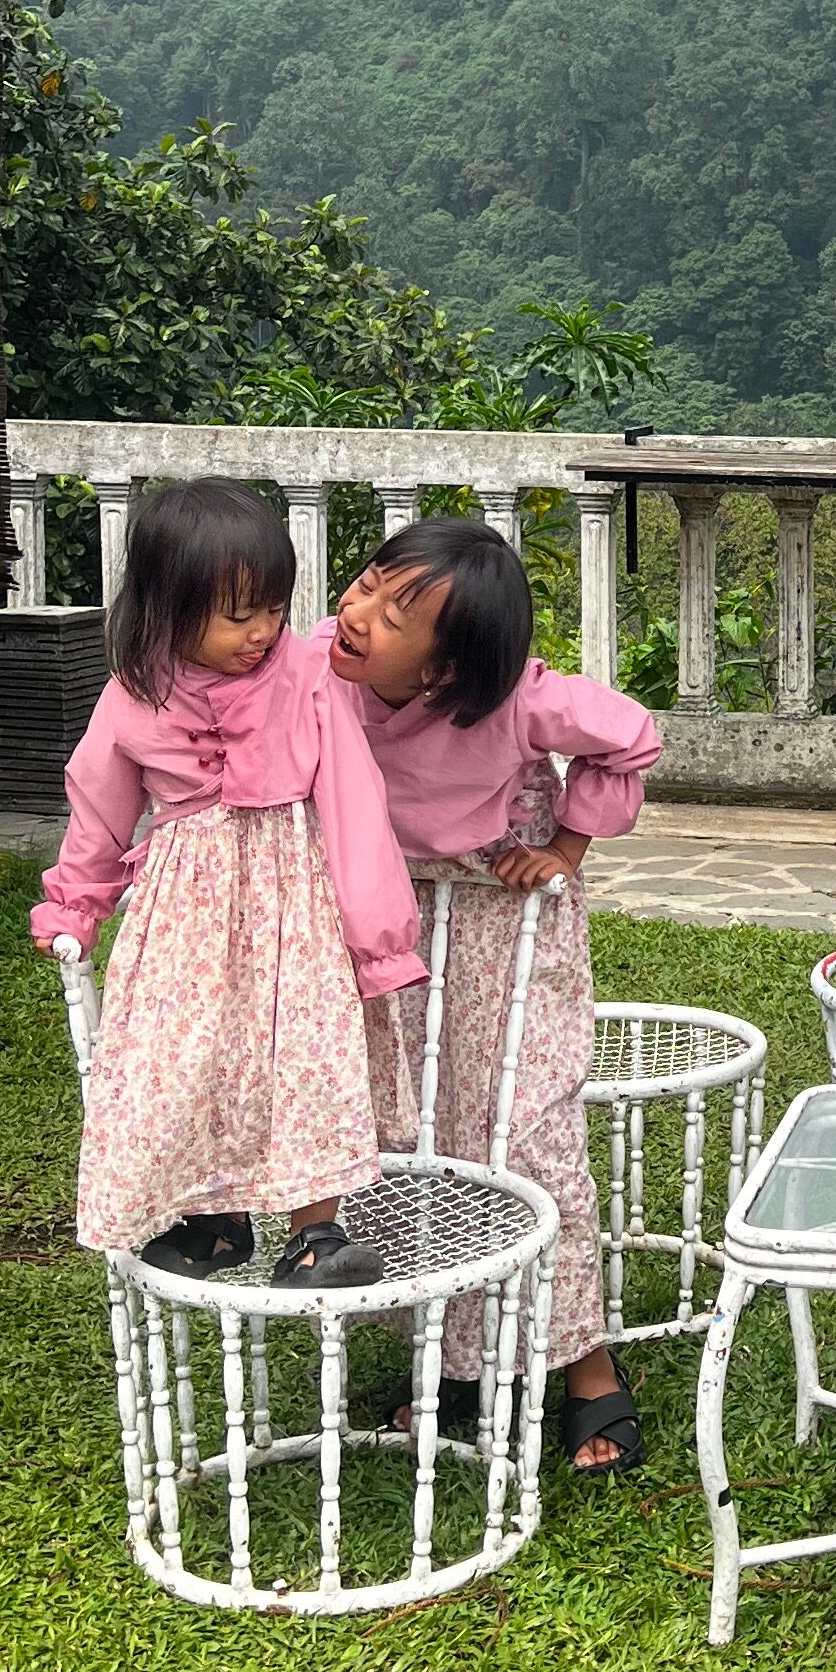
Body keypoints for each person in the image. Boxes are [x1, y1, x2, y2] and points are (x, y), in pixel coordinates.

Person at [320, 516, 665, 1472]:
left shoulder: (518, 699)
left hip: (505, 927)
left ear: (445, 670)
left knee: (523, 1129)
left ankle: (587, 1365)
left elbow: (632, 736)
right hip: (386, 925)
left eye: (398, 614)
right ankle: (456, 1358)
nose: (359, 613)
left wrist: (564, 847)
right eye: (368, 583)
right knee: (411, 1132)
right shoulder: (316, 669)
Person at [39, 479, 425, 1286]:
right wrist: (77, 902)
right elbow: (99, 808)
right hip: (185, 912)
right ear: (167, 609)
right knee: (188, 1055)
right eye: (237, 614)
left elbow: (353, 800)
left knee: (303, 1053)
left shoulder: (308, 676)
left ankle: (317, 1231)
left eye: (274, 609)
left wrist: (376, 931)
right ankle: (214, 1216)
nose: (262, 633)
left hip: (295, 902)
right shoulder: (130, 696)